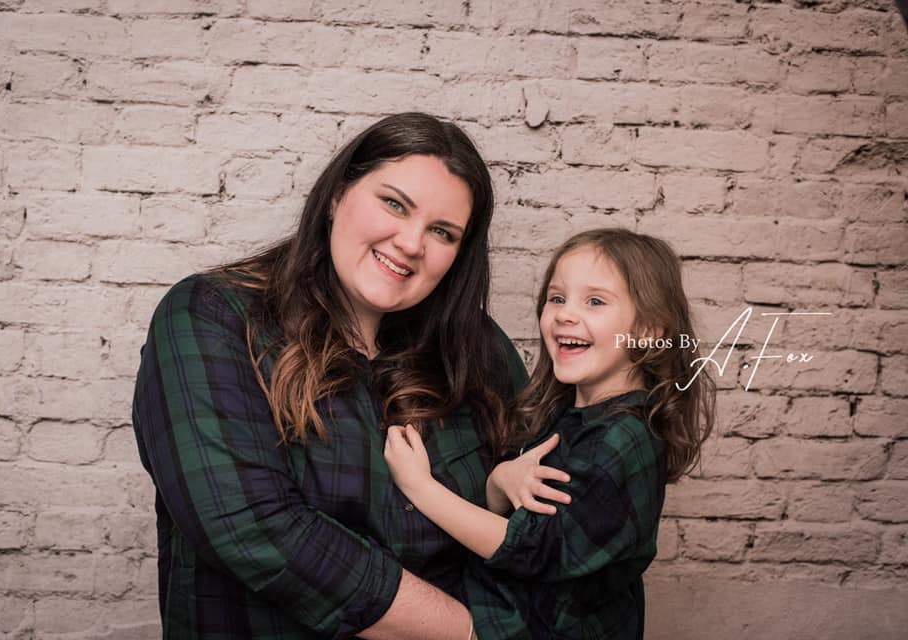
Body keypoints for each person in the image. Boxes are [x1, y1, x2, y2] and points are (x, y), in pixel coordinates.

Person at [131, 112, 529, 639]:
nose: (412, 243)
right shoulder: (212, 318)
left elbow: (544, 525)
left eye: (442, 232)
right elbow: (252, 528)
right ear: (339, 193)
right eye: (394, 203)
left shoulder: (478, 350)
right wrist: (469, 631)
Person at [385, 228, 716, 640]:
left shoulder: (626, 437)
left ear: (648, 330)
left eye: (594, 302)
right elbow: (527, 514)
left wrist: (420, 488)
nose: (564, 314)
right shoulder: (562, 411)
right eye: (557, 298)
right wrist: (498, 484)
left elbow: (534, 548)